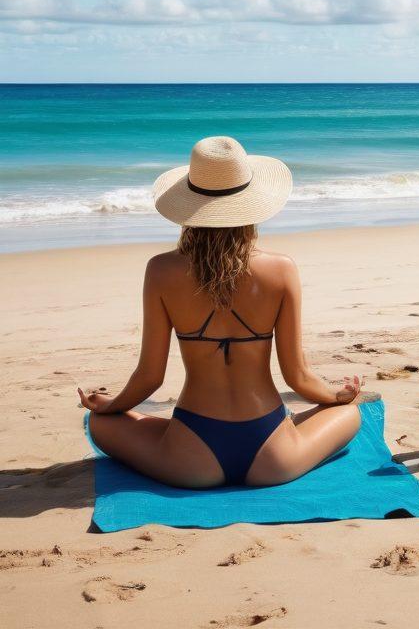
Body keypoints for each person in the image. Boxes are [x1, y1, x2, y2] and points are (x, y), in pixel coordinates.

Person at [78, 136, 362, 487]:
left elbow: (150, 377)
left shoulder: (161, 271)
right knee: (350, 413)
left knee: (101, 423)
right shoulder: (282, 270)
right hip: (273, 457)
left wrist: (112, 405)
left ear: (189, 208)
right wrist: (336, 397)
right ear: (252, 205)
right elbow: (297, 376)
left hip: (191, 459)